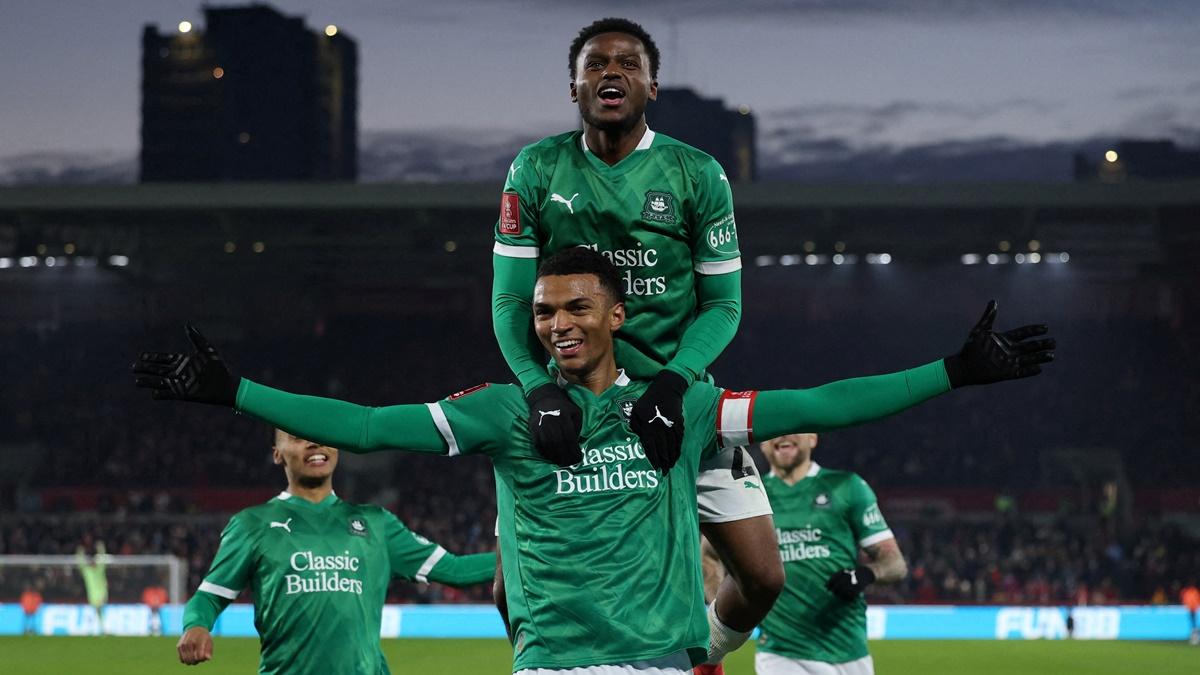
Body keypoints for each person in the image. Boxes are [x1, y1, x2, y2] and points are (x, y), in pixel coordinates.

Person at [134, 247, 1055, 675]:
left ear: (617, 315)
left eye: (577, 308)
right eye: (543, 312)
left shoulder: (682, 407)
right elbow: (369, 426)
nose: (558, 324)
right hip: (557, 665)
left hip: (660, 661)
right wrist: (235, 390)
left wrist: (954, 372)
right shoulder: (503, 412)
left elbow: (822, 403)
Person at [491, 18, 776, 667]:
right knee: (513, 588)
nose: (610, 73)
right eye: (595, 64)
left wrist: (675, 382)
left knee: (763, 577)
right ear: (573, 86)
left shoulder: (695, 172)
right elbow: (510, 301)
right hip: (577, 406)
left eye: (627, 63)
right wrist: (539, 390)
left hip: (677, 406)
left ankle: (693, 655)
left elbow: (725, 305)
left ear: (652, 84)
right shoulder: (535, 169)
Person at [174, 430, 496, 673]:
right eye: (299, 438)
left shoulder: (377, 523)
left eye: (325, 435)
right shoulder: (252, 525)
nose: (316, 444)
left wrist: (532, 552)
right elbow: (209, 596)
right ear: (277, 454)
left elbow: (458, 571)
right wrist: (196, 626)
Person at [754, 433, 906, 675]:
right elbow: (709, 556)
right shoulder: (750, 495)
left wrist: (866, 573)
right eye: (775, 428)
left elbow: (895, 563)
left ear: (813, 438)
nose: (783, 434)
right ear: (762, 443)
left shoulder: (847, 486)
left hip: (847, 647)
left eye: (794, 426)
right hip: (780, 652)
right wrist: (724, 619)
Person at [75, 541, 107, 635]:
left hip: (101, 594)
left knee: (98, 610)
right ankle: (98, 629)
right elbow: (80, 564)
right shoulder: (87, 571)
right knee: (96, 612)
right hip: (92, 596)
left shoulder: (99, 569)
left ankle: (101, 629)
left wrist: (101, 549)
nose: (92, 562)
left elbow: (103, 559)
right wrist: (79, 553)